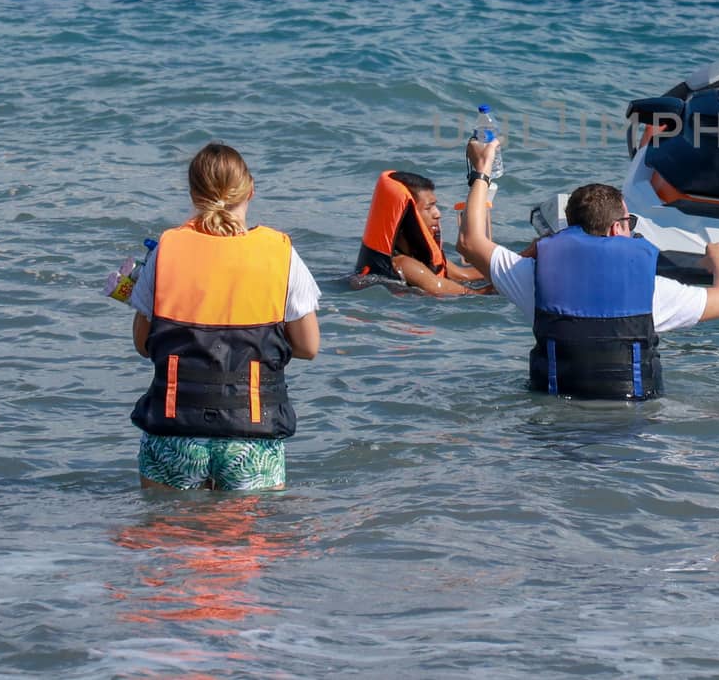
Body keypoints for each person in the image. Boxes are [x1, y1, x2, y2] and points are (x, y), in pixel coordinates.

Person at [457, 138, 719, 400]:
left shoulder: (534, 279)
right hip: (634, 434)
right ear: (617, 227)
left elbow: (470, 242)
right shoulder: (651, 291)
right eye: (629, 222)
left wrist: (482, 173)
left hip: (556, 435)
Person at [129, 142, 321, 491]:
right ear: (250, 190)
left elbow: (143, 345)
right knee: (249, 541)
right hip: (251, 436)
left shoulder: (166, 250)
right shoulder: (280, 253)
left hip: (175, 430)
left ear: (193, 194)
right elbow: (308, 347)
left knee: (169, 537)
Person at [354, 168, 491, 295]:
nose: (438, 214)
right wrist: (493, 289)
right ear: (409, 216)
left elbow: (464, 275)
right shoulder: (403, 264)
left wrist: (504, 269)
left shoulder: (420, 255)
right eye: (428, 208)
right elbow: (453, 292)